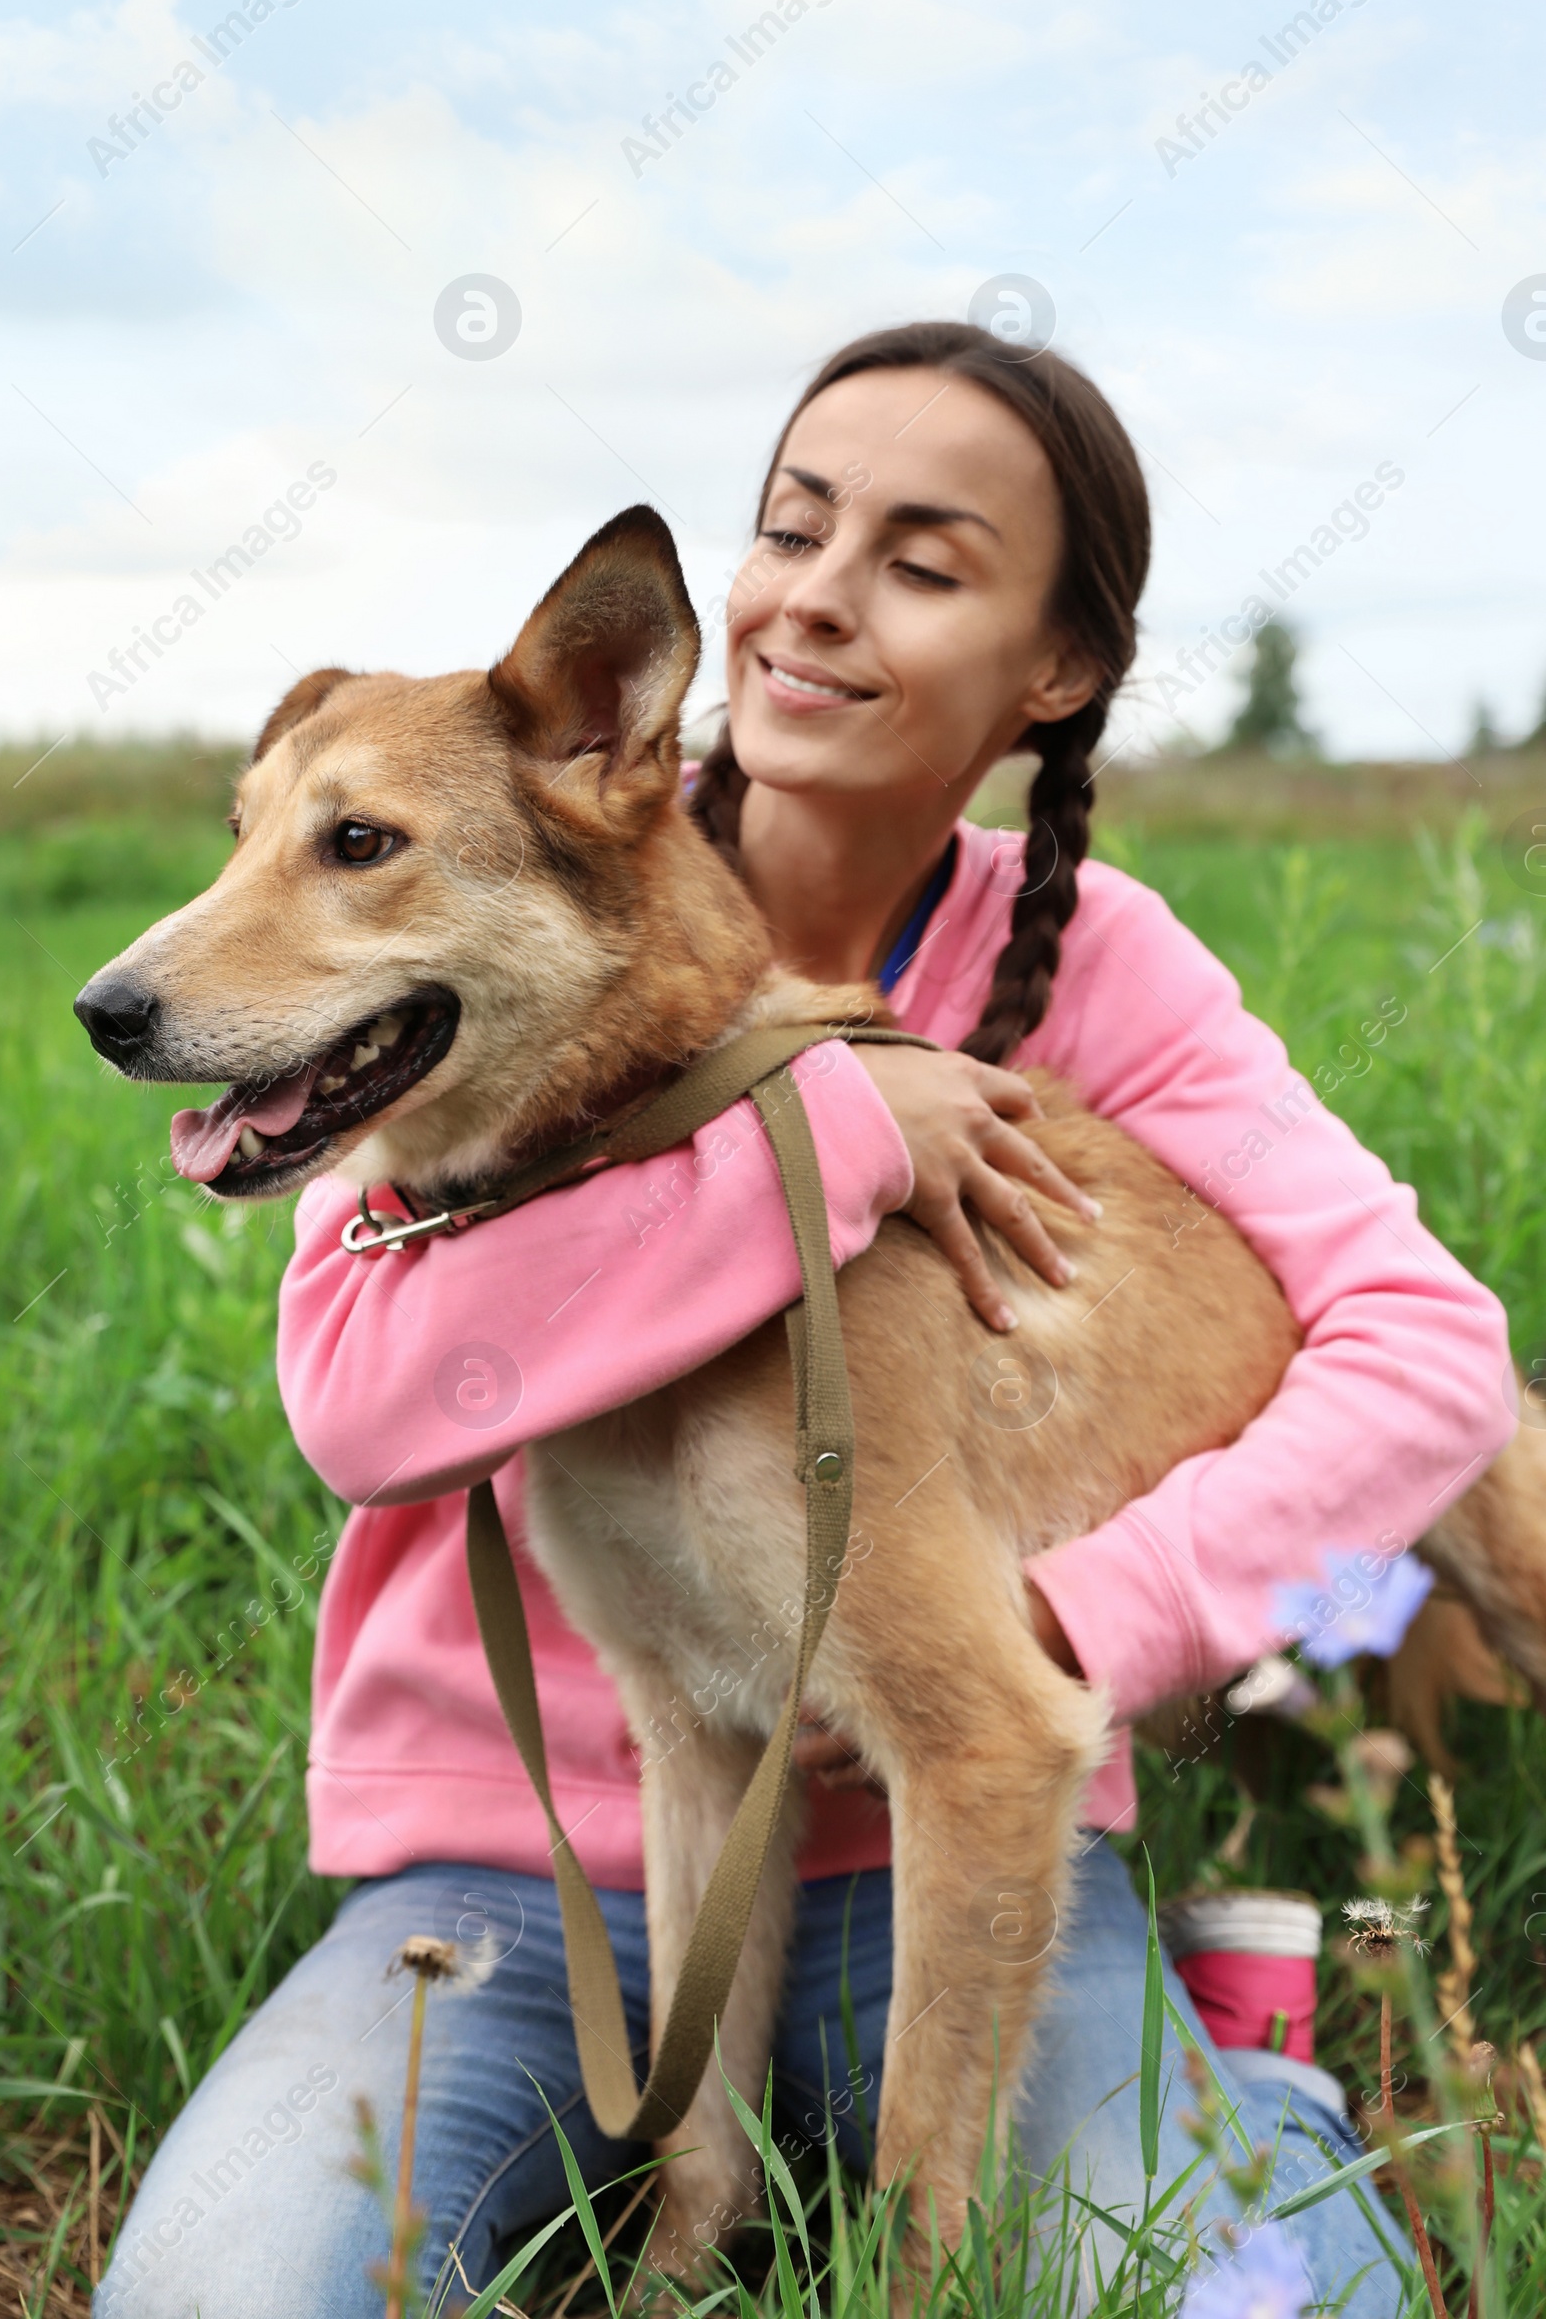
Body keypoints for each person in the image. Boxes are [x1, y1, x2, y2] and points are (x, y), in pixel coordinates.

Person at [97, 323, 1513, 2317]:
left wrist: (1087, 1622)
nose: (818, 601)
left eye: (921, 564)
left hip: (958, 1876)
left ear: (1054, 671)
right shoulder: (451, 1052)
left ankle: (1243, 2072)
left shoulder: (1088, 956)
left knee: (1244, 2287)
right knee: (213, 2298)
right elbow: (358, 1407)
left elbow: (1428, 1350)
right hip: (494, 1893)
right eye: (790, 528)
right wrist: (831, 1126)